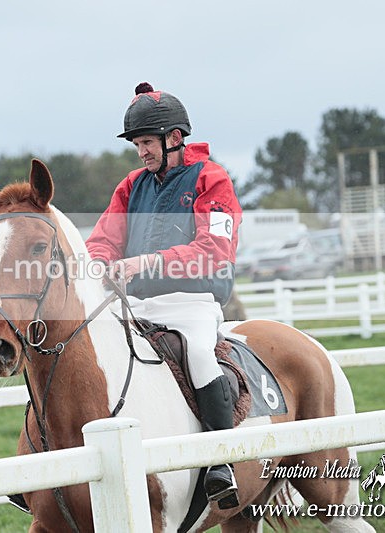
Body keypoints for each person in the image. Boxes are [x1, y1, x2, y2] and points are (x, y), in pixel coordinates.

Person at [86, 82, 243, 509]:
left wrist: (147, 263)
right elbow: (103, 239)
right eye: (137, 144)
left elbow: (215, 250)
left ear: (175, 138)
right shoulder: (131, 185)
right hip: (136, 304)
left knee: (198, 352)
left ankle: (220, 461)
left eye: (147, 142)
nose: (141, 152)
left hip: (191, 303)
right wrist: (99, 264)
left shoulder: (212, 178)